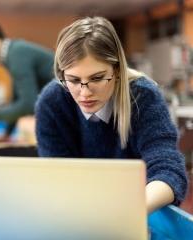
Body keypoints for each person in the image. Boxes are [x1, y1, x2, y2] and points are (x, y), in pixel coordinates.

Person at [35, 16, 187, 214]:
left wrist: (129, 213)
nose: (85, 92)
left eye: (97, 78)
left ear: (117, 70)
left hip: (135, 208)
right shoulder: (52, 103)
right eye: (73, 80)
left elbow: (169, 169)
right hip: (77, 211)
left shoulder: (142, 96)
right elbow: (59, 177)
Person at [0, 20, 54, 133]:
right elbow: (17, 100)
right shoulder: (12, 53)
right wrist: (6, 135)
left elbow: (29, 104)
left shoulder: (17, 54)